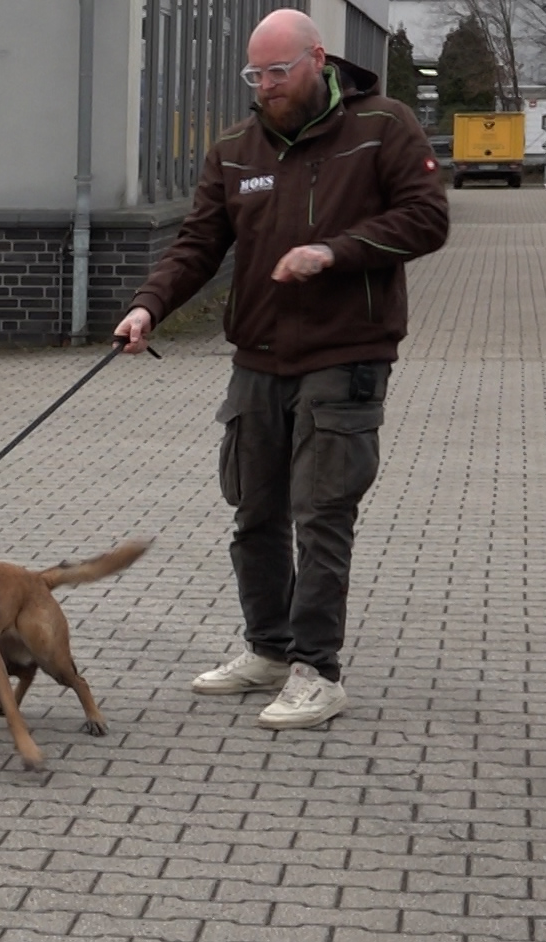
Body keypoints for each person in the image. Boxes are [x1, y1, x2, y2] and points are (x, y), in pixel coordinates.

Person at [112, 10, 449, 729]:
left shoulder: (383, 127)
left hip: (346, 353)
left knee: (322, 515)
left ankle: (316, 672)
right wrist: (147, 307)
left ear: (317, 61)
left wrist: (337, 250)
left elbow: (427, 219)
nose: (264, 87)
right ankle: (267, 648)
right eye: (254, 75)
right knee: (254, 511)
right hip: (258, 357)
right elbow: (198, 242)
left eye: (277, 72)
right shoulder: (237, 147)